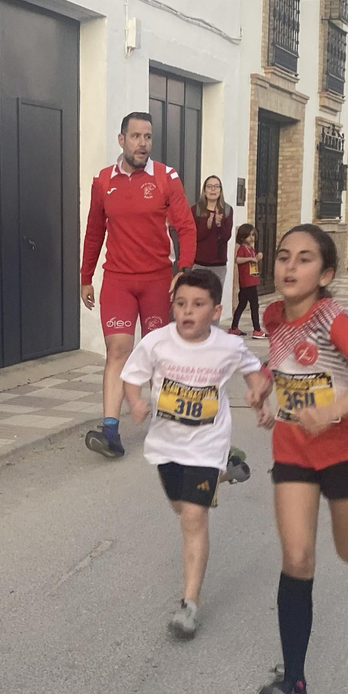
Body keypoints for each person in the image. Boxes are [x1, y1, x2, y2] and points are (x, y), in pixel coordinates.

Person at [244, 224, 348, 694]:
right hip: (293, 450)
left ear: (326, 273)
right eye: (284, 255)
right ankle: (294, 685)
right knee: (297, 556)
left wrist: (332, 412)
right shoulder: (271, 314)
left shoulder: (333, 320)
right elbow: (283, 361)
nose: (289, 266)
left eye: (305, 259)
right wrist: (266, 384)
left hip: (347, 450)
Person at [121, 268, 268, 642]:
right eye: (181, 303)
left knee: (193, 517)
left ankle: (189, 604)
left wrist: (258, 395)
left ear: (215, 311)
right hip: (166, 446)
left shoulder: (228, 346)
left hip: (207, 443)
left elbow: (254, 370)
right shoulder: (157, 342)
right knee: (180, 506)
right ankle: (226, 471)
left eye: (198, 305)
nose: (187, 311)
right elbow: (132, 374)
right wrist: (135, 400)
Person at [80, 112, 198, 459]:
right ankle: (110, 431)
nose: (142, 143)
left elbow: (186, 227)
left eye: (147, 136)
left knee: (158, 355)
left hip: (158, 281)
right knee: (117, 351)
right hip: (117, 280)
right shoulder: (103, 181)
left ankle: (170, 428)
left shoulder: (166, 177)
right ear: (122, 140)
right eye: (135, 136)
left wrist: (184, 271)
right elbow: (94, 232)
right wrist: (85, 277)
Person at [191, 175, 234, 301]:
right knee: (198, 299)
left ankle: (213, 322)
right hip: (199, 263)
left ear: (220, 190)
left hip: (218, 264)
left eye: (216, 186)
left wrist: (219, 225)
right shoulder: (196, 210)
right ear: (204, 190)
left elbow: (226, 237)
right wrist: (207, 225)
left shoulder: (226, 210)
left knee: (214, 300)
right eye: (209, 187)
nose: (213, 190)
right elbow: (195, 237)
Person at [227, 223, 264, 337]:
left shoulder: (251, 249)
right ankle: (257, 329)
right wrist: (251, 259)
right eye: (249, 235)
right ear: (243, 237)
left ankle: (234, 327)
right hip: (247, 283)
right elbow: (238, 260)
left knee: (242, 304)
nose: (252, 238)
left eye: (253, 235)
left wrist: (257, 258)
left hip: (252, 280)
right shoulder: (242, 249)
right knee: (254, 305)